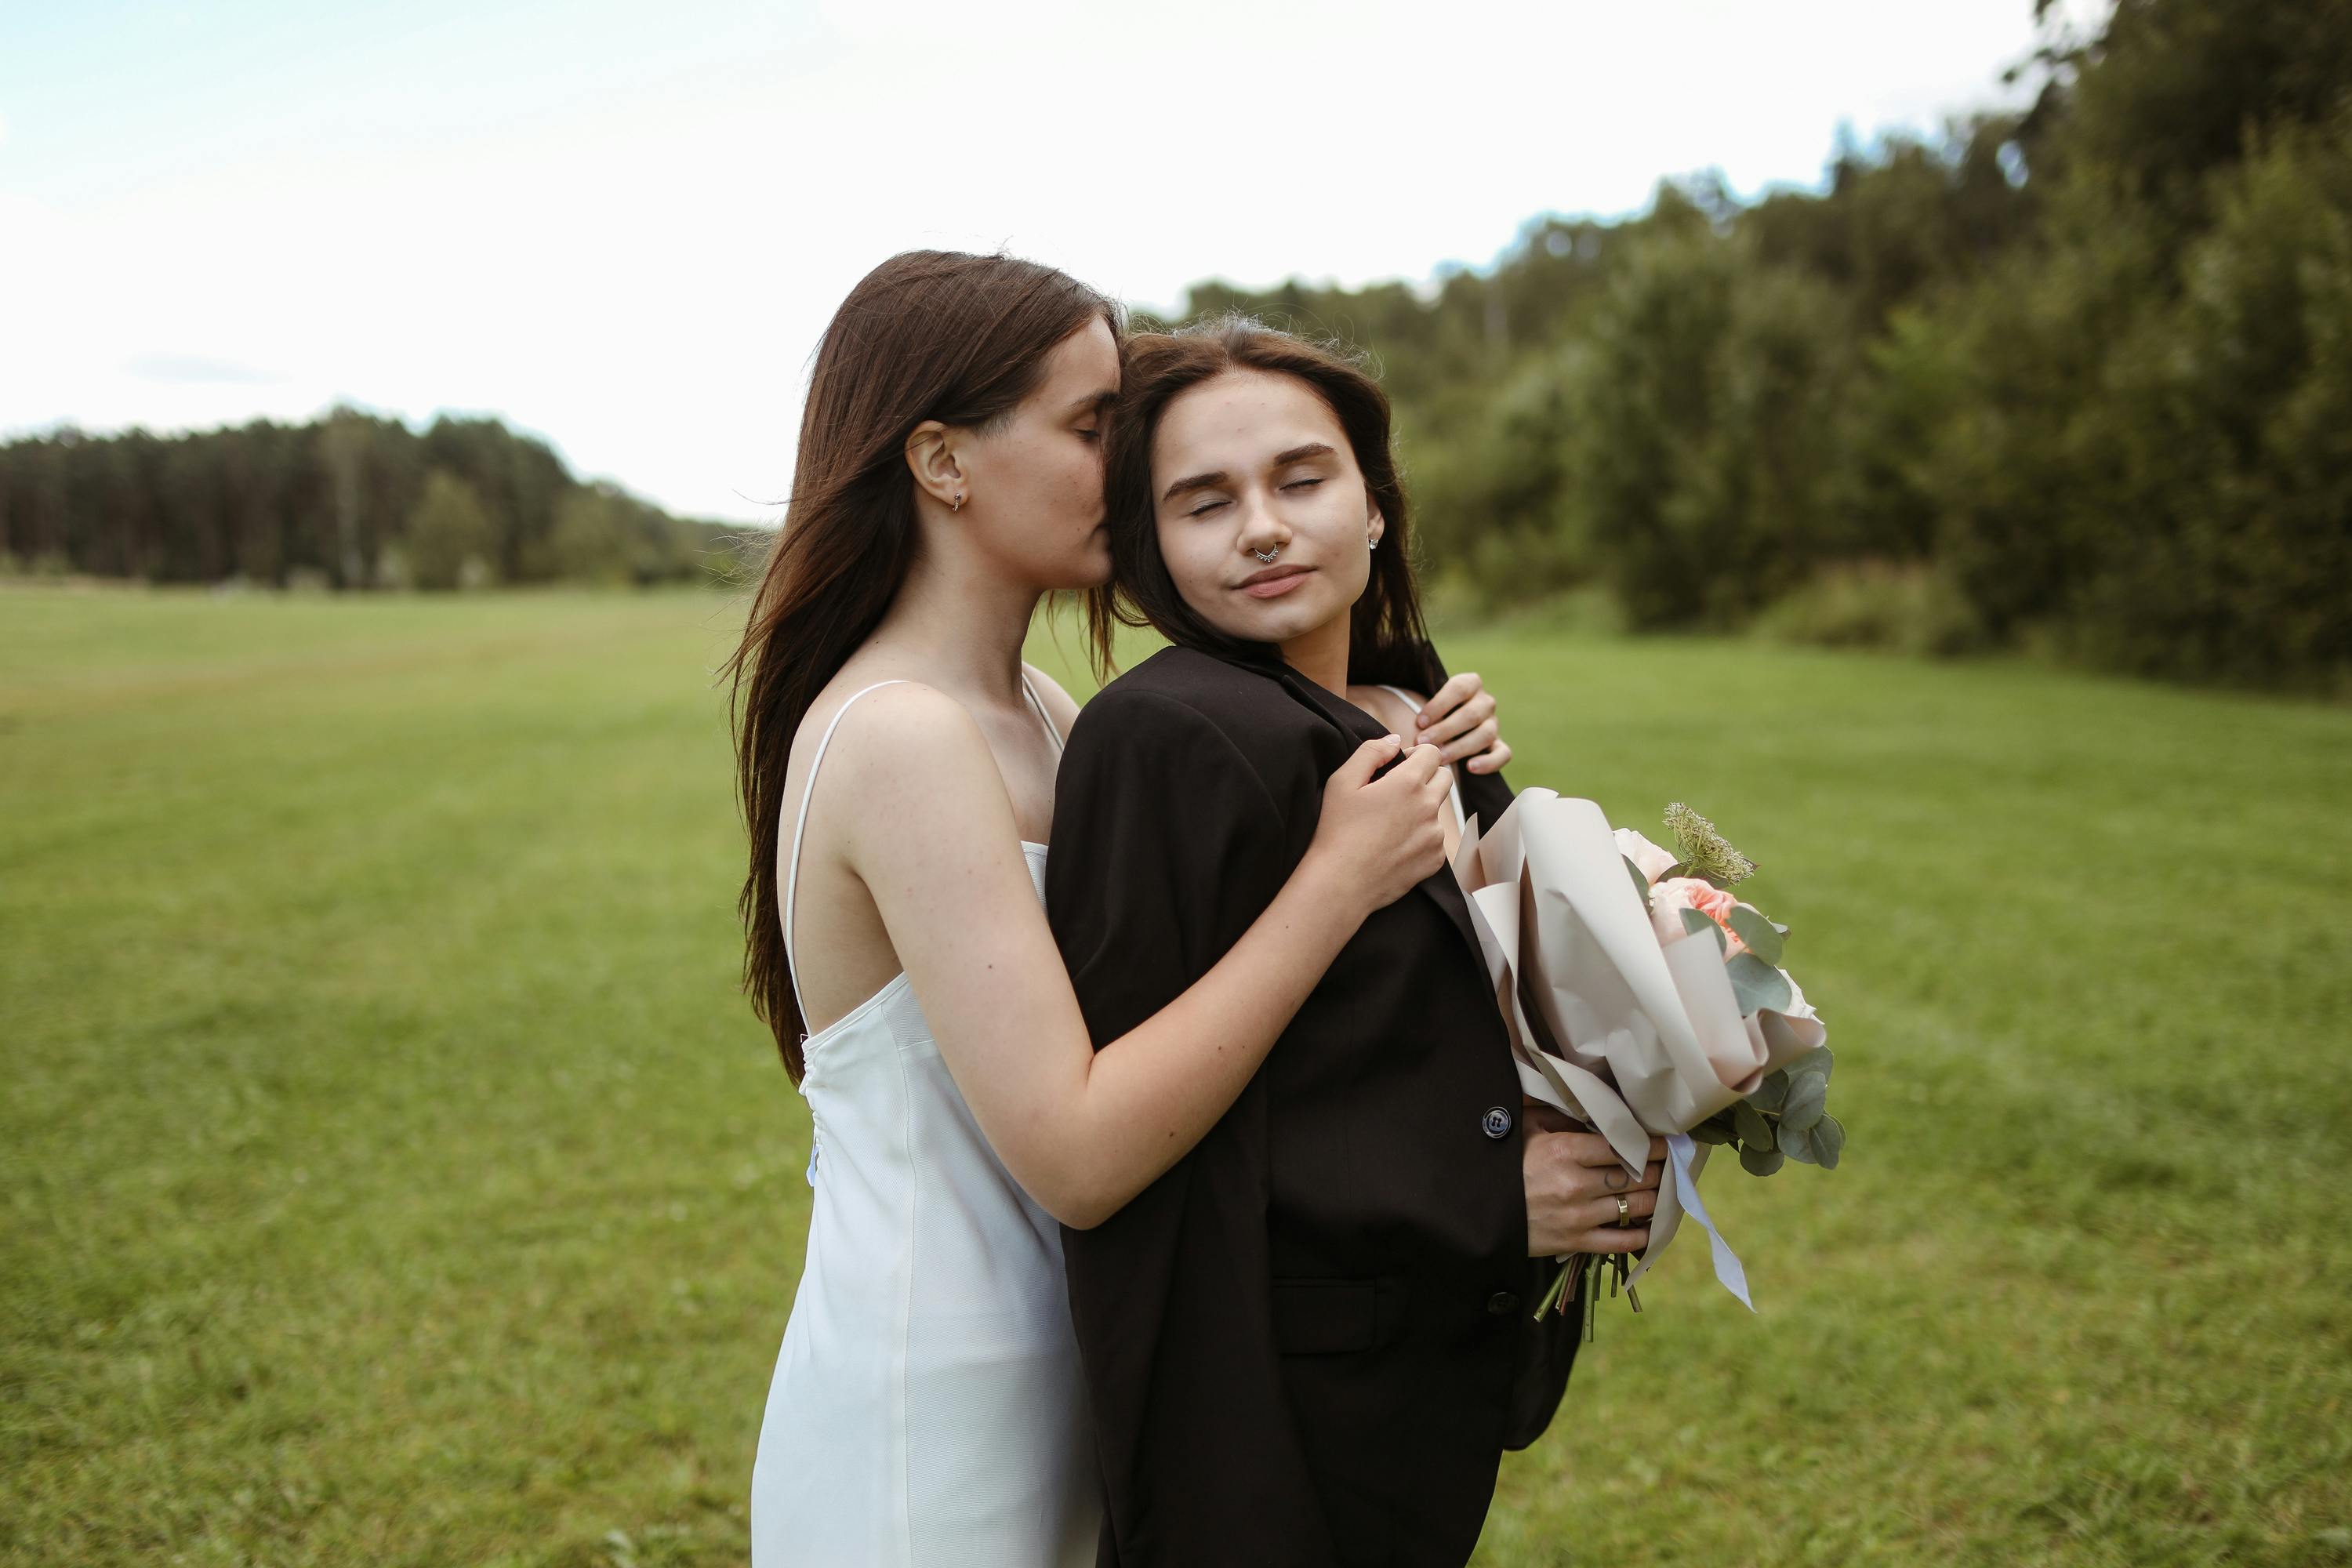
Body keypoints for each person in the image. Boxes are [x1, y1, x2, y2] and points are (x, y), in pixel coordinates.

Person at [727, 252, 1523, 1568]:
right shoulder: (903, 738)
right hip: (945, 1405)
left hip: (1103, 1362)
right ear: (943, 461)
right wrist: (1333, 881)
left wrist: (1397, 715)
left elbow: (1236, 1039)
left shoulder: (1047, 716)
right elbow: (1082, 1150)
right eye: (1097, 426)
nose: (1132, 460)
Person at [1051, 319, 1669, 1567]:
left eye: (1302, 478)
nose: (1263, 527)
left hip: (1416, 1375)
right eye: (1203, 501)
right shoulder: (1163, 732)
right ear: (1149, 548)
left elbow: (1430, 1017)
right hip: (1271, 1413)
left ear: (1377, 505)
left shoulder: (1404, 704)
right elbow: (1165, 1134)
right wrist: (1483, 1198)